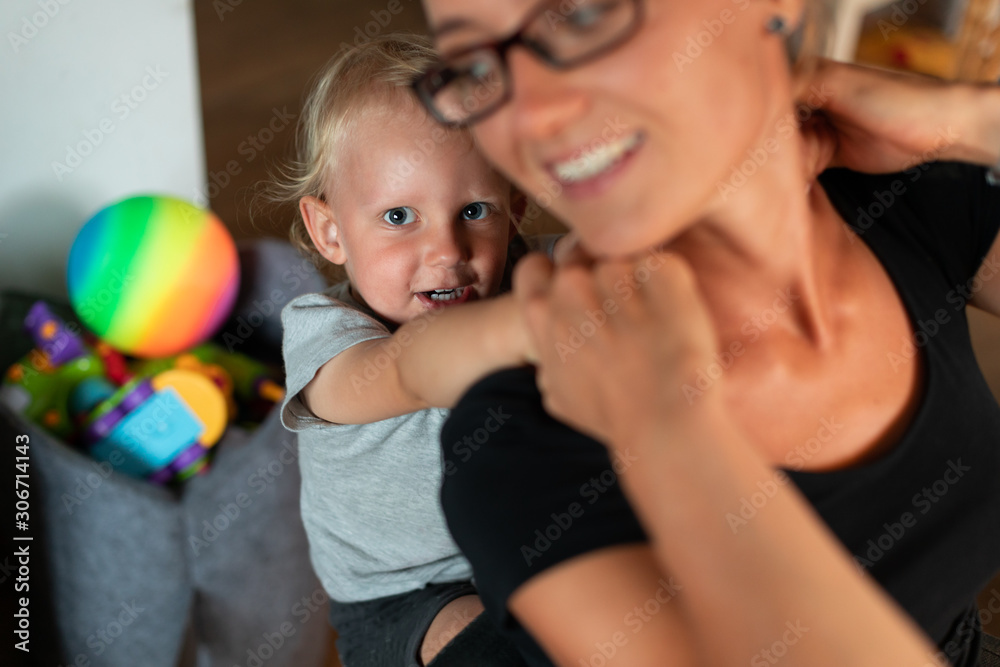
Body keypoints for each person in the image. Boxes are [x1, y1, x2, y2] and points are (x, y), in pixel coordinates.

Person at [405, 0, 1000, 665]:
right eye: (474, 65)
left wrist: (976, 121)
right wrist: (667, 427)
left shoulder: (902, 191)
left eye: (582, 15)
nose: (531, 114)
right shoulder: (524, 453)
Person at [272, 34, 558, 667]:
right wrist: (529, 327)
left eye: (475, 209)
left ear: (515, 209)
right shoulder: (325, 335)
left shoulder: (540, 273)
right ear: (330, 231)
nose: (448, 251)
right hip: (411, 597)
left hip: (545, 549)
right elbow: (411, 369)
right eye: (399, 217)